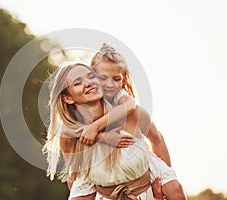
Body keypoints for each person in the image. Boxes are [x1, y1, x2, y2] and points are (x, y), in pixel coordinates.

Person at [68, 44, 186, 199]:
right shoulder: (81, 111)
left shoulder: (132, 110)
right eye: (103, 78)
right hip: (102, 175)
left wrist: (162, 185)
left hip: (137, 172)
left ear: (123, 81)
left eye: (116, 79)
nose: (110, 84)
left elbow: (157, 140)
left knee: (175, 189)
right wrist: (101, 136)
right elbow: (71, 150)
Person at [43, 62, 171, 199]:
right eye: (77, 83)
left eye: (91, 76)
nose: (88, 83)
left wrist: (163, 189)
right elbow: (75, 182)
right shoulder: (70, 135)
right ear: (68, 98)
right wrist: (103, 137)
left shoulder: (133, 115)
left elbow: (157, 141)